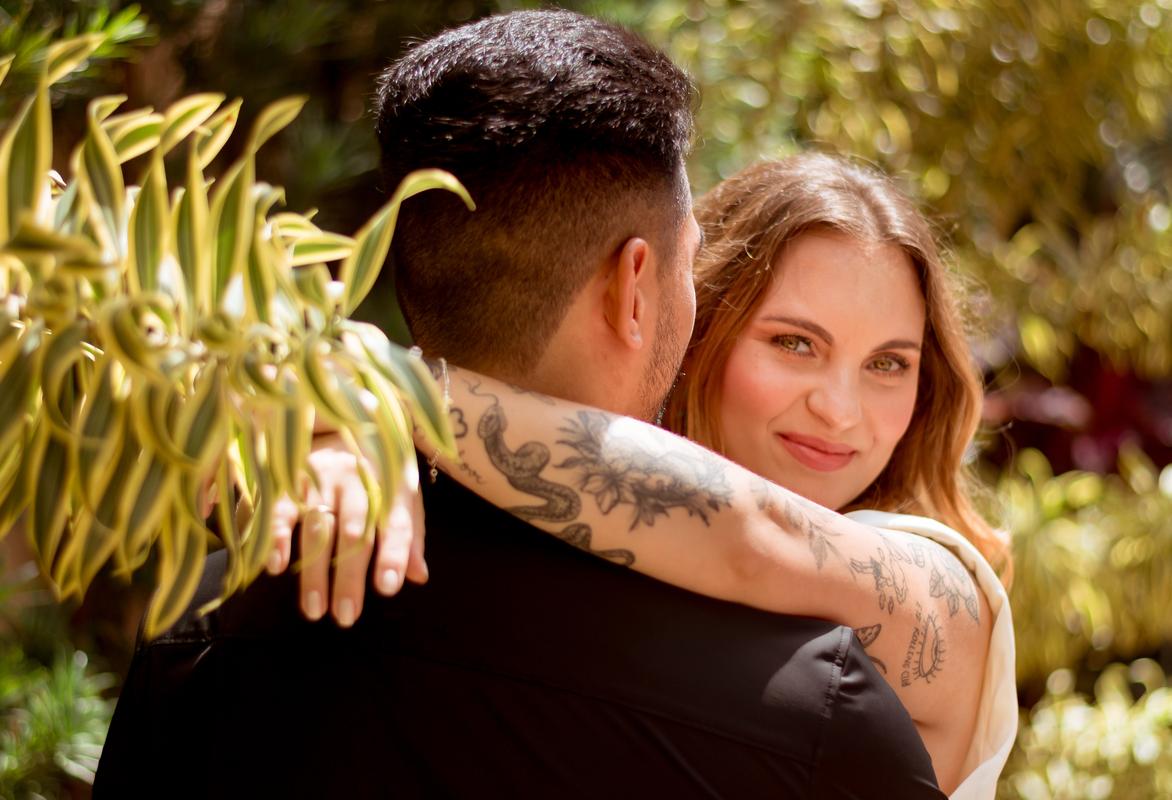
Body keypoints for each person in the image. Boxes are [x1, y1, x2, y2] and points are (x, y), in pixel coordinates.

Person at [95, 11, 947, 799]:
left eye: (887, 363)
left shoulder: (201, 637)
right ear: (635, 288)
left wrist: (353, 383)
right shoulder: (816, 714)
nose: (838, 408)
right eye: (688, 265)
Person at [397, 154, 1018, 798]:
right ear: (700, 324)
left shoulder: (947, 592)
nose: (840, 410)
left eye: (887, 364)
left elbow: (755, 536)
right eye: (795, 343)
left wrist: (384, 388)